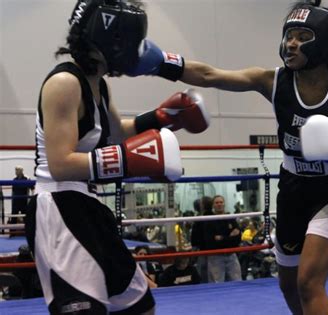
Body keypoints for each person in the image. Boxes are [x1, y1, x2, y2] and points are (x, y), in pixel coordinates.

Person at [126, 1, 328, 313]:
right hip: (293, 189)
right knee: (289, 285)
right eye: (289, 34)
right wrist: (163, 64)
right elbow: (212, 75)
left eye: (302, 35)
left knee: (309, 282)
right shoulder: (273, 80)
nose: (291, 43)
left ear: (326, 42)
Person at [24, 1, 209, 314]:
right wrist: (131, 161)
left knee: (139, 306)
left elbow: (117, 132)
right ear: (112, 39)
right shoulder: (64, 83)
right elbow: (60, 163)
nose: (136, 50)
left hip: (89, 206)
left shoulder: (99, 84)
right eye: (131, 41)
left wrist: (163, 116)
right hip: (58, 208)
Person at [203, 195, 242, 283]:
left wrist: (222, 238)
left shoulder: (231, 219)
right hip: (216, 256)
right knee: (218, 284)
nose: (219, 204)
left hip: (231, 255)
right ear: (213, 205)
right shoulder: (209, 221)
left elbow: (238, 239)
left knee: (237, 282)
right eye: (217, 203)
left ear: (224, 204)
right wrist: (229, 237)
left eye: (221, 202)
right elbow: (211, 242)